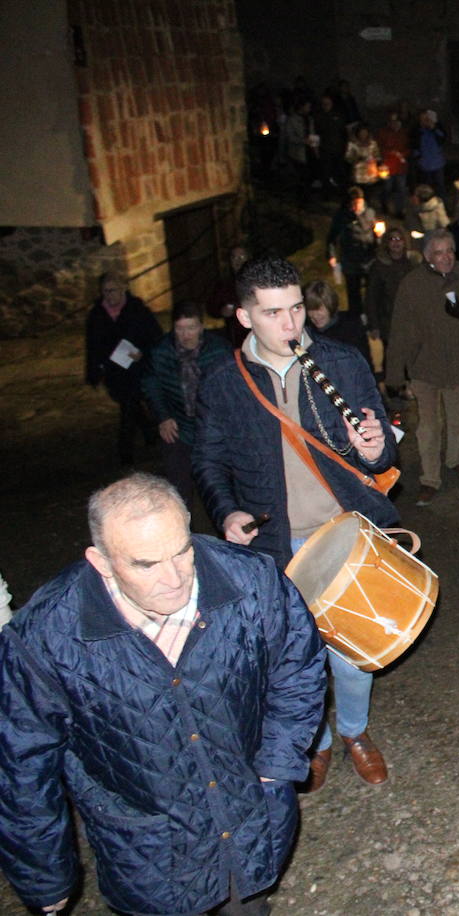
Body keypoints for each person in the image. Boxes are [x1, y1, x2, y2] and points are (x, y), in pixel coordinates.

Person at [0, 473, 325, 916]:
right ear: (101, 561)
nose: (174, 579)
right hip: (150, 851)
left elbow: (298, 663)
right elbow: (22, 765)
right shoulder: (44, 636)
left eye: (182, 552)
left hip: (250, 818)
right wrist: (43, 876)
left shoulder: (251, 578)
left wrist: (276, 762)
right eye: (145, 565)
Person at [194, 256, 398, 791]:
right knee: (294, 659)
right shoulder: (223, 381)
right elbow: (209, 460)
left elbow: (381, 447)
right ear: (244, 317)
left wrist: (376, 449)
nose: (291, 325)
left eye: (297, 309)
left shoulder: (343, 361)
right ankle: (317, 743)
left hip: (343, 531)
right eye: (273, 313)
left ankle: (353, 731)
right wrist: (226, 511)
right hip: (275, 544)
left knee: (354, 654)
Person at [386, 229, 459, 503]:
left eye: (450, 250)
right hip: (424, 367)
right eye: (439, 252)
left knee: (458, 417)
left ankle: (456, 459)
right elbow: (399, 330)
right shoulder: (413, 284)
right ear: (427, 256)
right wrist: (395, 373)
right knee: (429, 426)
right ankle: (430, 478)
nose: (446, 257)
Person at [141, 301, 231, 508]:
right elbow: (151, 384)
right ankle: (183, 531)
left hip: (213, 427)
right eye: (180, 329)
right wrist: (162, 416)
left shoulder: (219, 350)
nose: (185, 334)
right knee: (179, 487)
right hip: (179, 426)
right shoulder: (161, 352)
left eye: (191, 328)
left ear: (201, 327)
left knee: (220, 485)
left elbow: (231, 387)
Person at [85, 271, 162, 464]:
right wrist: (94, 371)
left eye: (113, 290)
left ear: (123, 289)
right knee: (130, 404)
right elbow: (93, 344)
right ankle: (149, 431)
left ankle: (125, 451)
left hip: (137, 368)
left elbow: (155, 337)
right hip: (115, 371)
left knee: (128, 408)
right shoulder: (97, 315)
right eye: (105, 291)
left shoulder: (138, 311)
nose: (109, 295)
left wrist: (143, 353)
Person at [326, 186, 379, 313]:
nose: (357, 207)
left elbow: (377, 237)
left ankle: (371, 316)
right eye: (354, 204)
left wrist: (379, 236)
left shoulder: (370, 212)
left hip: (369, 259)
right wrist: (331, 255)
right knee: (353, 293)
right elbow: (332, 238)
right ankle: (356, 318)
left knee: (372, 292)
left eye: (359, 203)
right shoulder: (341, 217)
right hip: (350, 261)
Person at [365, 226, 419, 347]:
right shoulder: (379, 267)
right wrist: (374, 325)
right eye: (392, 239)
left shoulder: (413, 264)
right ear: (387, 242)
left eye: (399, 239)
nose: (396, 242)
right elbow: (372, 297)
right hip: (388, 322)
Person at [305, 280, 371, 363]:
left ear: (330, 304)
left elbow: (364, 363)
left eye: (319, 309)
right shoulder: (307, 333)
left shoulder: (351, 327)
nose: (315, 315)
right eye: (310, 310)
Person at [376, 111, 410, 216]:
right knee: (387, 188)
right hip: (387, 166)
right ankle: (384, 206)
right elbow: (379, 148)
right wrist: (390, 153)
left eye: (397, 121)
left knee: (401, 189)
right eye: (392, 121)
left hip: (400, 167)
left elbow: (409, 148)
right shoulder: (383, 133)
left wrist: (401, 154)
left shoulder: (404, 133)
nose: (394, 124)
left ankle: (399, 210)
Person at [345, 124, 382, 210]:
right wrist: (357, 158)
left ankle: (368, 209)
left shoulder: (372, 143)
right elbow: (347, 157)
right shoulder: (353, 144)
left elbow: (378, 155)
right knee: (358, 194)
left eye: (365, 133)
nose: (363, 135)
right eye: (361, 133)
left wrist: (373, 159)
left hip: (370, 173)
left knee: (369, 193)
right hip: (358, 173)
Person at [411, 110, 447, 191]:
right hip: (424, 165)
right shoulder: (416, 131)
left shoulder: (437, 128)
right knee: (426, 189)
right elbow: (413, 145)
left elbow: (443, 138)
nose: (425, 121)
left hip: (437, 163)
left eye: (426, 119)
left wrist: (433, 129)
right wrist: (418, 158)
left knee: (440, 187)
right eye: (423, 119)